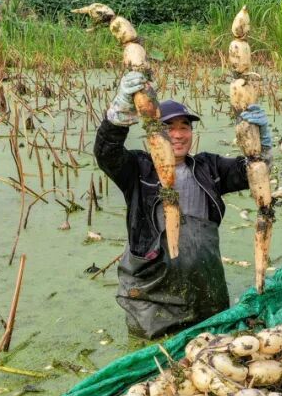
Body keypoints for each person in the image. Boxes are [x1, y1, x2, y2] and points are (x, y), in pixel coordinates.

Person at [94, 71, 272, 339]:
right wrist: (118, 113)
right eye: (168, 127)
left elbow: (253, 172)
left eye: (184, 127)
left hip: (206, 296)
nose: (177, 134)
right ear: (153, 132)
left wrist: (261, 142)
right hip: (152, 301)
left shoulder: (208, 167)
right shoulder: (138, 169)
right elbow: (106, 153)